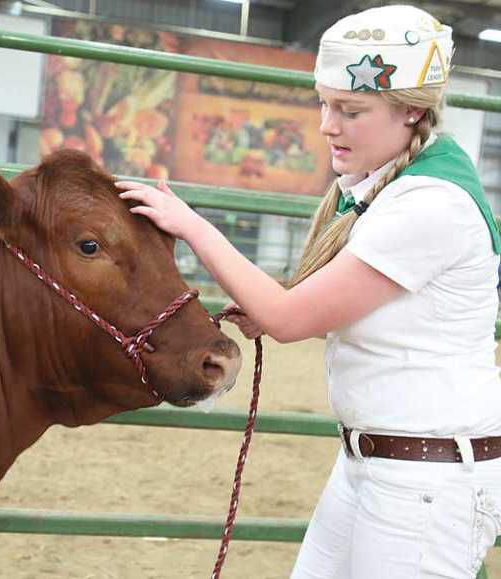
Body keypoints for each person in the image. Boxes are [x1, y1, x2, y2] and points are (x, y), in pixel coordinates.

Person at [116, 5, 501, 578]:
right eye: (324, 103)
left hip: (424, 481)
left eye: (351, 109)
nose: (328, 124)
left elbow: (290, 318)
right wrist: (272, 309)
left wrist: (192, 226)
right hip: (380, 462)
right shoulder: (395, 187)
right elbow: (348, 310)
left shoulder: (430, 203)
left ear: (412, 112)